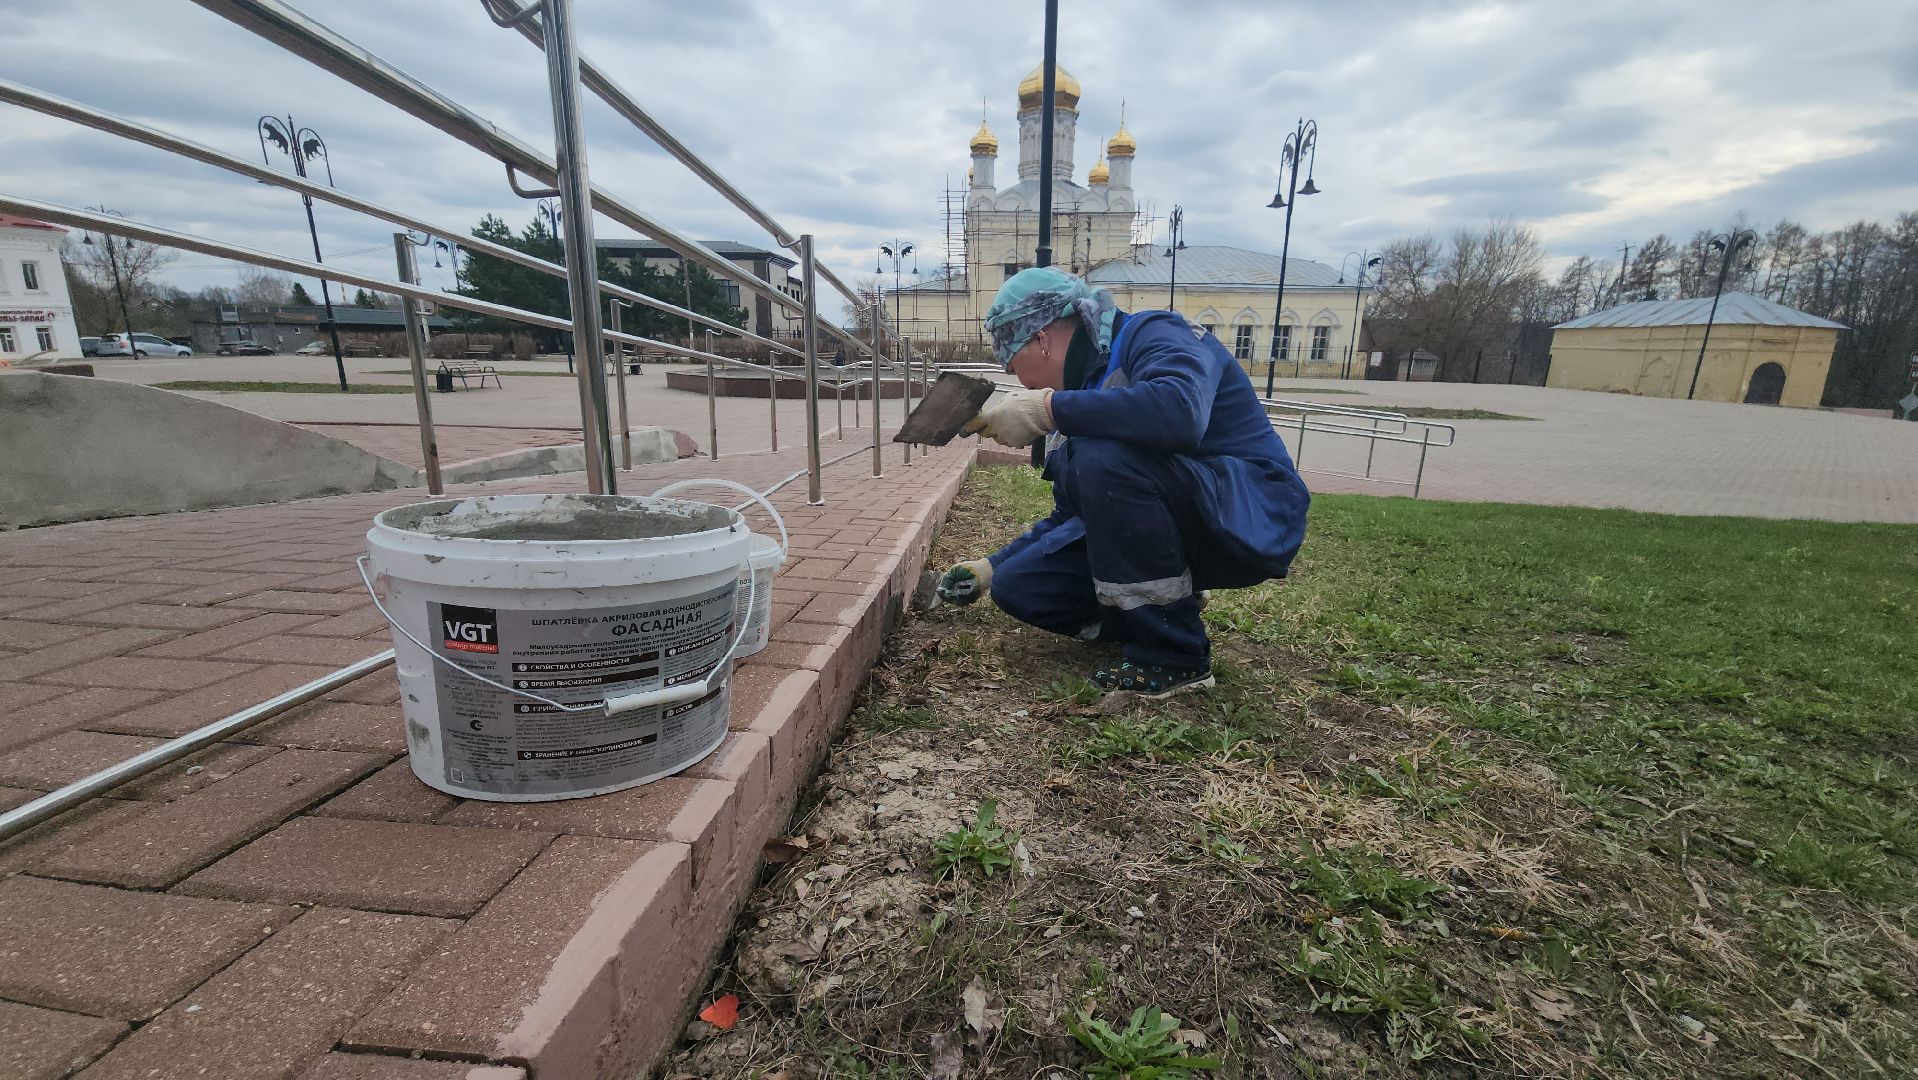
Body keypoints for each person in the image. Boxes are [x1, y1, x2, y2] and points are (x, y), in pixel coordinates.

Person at [936, 267, 1309, 698]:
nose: (1019, 382)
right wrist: (992, 566)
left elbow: (1179, 412)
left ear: (1040, 338)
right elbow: (1077, 514)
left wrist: (1050, 409)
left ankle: (1175, 656)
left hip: (1252, 513)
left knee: (1102, 457)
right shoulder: (1086, 391)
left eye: (1012, 362)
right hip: (1189, 514)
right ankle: (1159, 611)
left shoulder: (1156, 333)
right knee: (1021, 586)